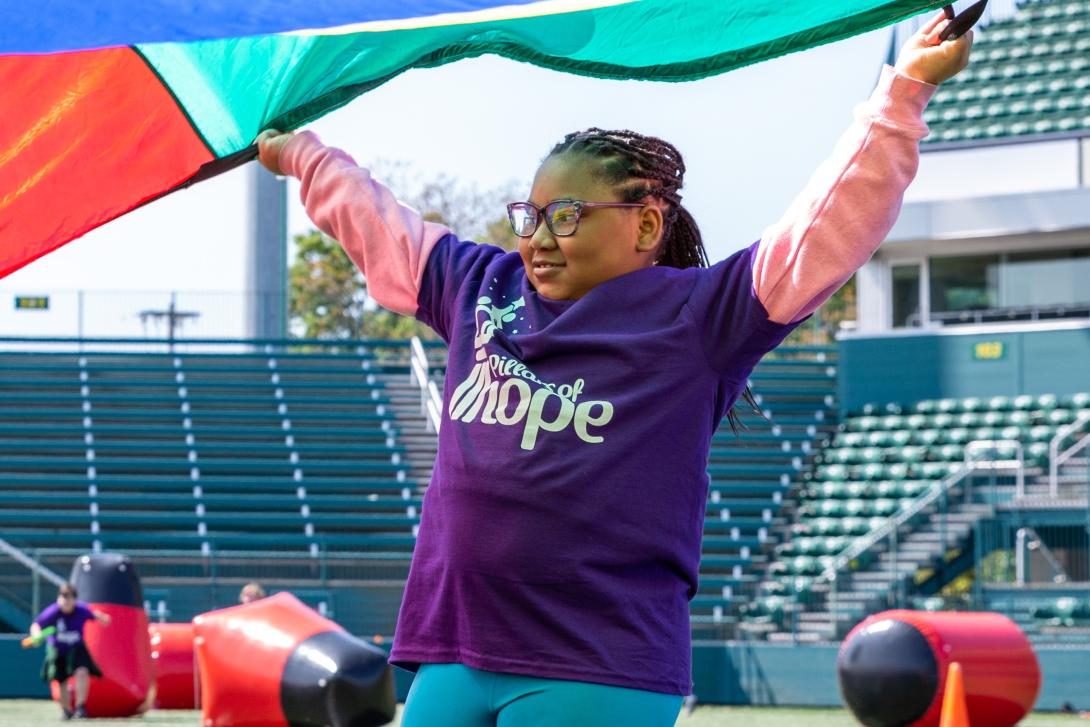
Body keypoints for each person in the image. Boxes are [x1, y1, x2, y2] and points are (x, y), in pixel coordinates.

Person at [257, 13, 972, 726]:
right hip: (453, 653)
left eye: (566, 215)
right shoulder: (479, 288)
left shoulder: (697, 316)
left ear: (647, 226)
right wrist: (302, 155)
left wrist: (902, 92)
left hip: (597, 666)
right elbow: (376, 220)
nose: (537, 237)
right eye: (529, 215)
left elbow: (826, 228)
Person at [30, 583, 112, 720]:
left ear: (74, 599)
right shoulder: (53, 612)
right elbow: (36, 624)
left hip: (76, 647)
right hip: (58, 650)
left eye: (69, 597)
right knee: (61, 681)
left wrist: (103, 618)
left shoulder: (81, 610)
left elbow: (94, 614)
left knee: (82, 671)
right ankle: (66, 710)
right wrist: (36, 635)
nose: (66, 600)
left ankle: (80, 707)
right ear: (58, 598)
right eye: (63, 596)